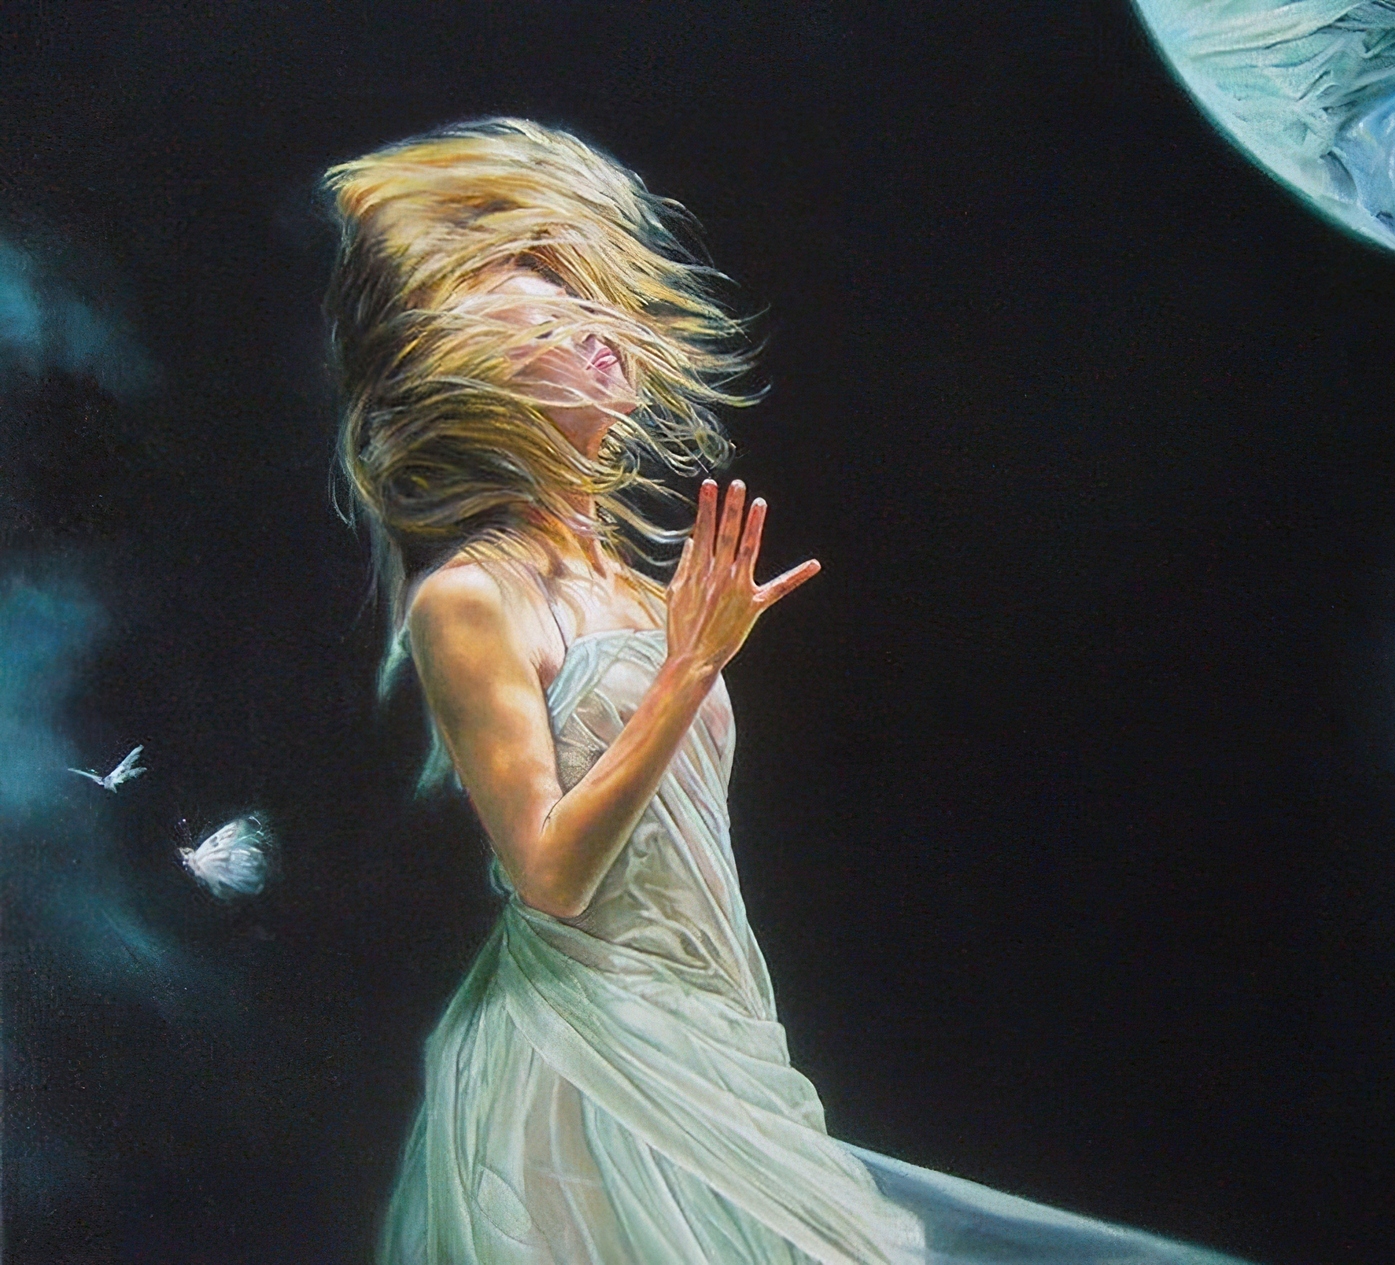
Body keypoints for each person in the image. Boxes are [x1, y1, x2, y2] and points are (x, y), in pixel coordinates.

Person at [325, 117, 1249, 1265]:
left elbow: (688, 852)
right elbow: (550, 874)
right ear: (488, 391)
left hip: (714, 1023)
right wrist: (688, 668)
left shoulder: (642, 587)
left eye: (587, 309)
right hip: (586, 1056)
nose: (600, 337)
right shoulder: (467, 599)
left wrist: (687, 654)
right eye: (552, 331)